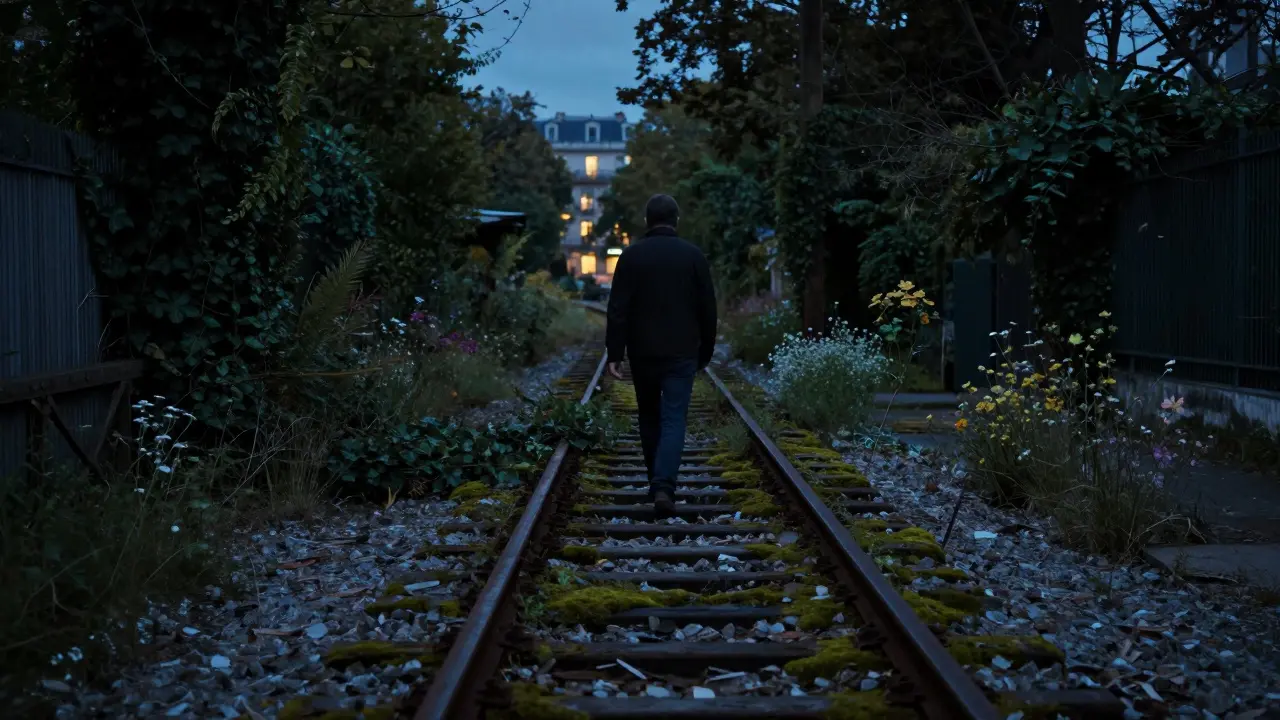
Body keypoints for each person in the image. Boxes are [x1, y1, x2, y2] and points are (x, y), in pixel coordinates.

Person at [605, 194, 718, 518]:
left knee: (649, 416)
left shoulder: (631, 256)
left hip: (643, 352)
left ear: (647, 221)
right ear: (676, 220)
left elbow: (618, 309)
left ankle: (656, 485)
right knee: (673, 419)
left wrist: (615, 352)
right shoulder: (693, 256)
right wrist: (705, 350)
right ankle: (664, 486)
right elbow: (708, 309)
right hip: (682, 352)